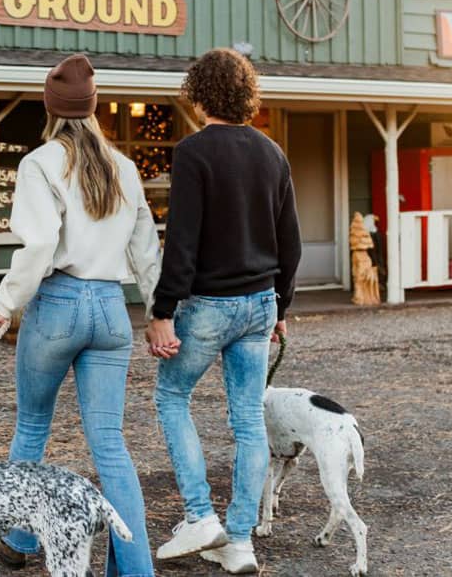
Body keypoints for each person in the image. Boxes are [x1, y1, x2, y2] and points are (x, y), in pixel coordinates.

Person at [0, 53, 160, 577]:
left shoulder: (41, 163)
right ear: (94, 106)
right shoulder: (125, 168)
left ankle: (17, 541)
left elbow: (39, 246)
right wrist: (158, 311)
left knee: (33, 425)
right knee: (110, 443)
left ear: (51, 108)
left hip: (58, 305)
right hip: (110, 309)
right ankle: (138, 570)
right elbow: (148, 251)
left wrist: (5, 303)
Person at [147, 48, 301, 575]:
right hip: (260, 304)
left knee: (171, 395)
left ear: (198, 94)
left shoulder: (192, 153)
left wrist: (162, 310)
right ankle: (238, 541)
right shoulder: (272, 153)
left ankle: (199, 517)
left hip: (210, 305)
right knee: (248, 422)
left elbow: (181, 243)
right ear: (245, 94)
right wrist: (282, 304)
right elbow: (291, 242)